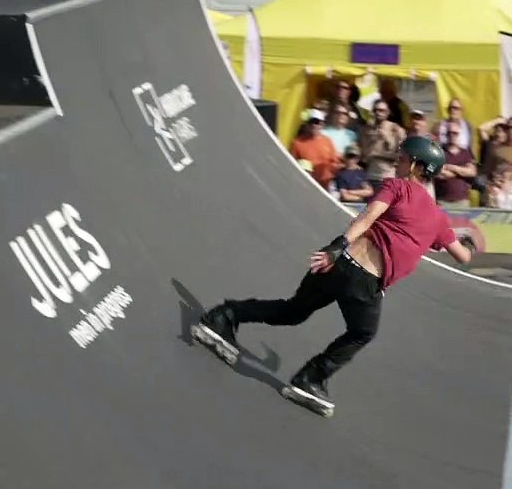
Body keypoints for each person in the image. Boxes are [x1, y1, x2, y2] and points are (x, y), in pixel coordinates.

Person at [192, 136, 479, 413]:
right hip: (363, 281)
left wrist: (336, 248)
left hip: (339, 263)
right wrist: (470, 240)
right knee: (362, 332)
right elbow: (462, 256)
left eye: (402, 159)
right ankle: (310, 378)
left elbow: (367, 217)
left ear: (418, 166)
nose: (397, 163)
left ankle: (224, 316)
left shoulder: (398, 188)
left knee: (293, 311)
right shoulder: (437, 218)